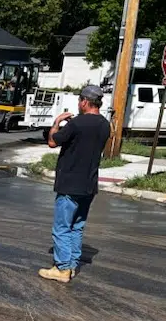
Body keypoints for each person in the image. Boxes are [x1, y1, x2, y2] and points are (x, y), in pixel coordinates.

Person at [39, 84, 112, 283]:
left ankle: (62, 269)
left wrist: (57, 122)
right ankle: (71, 265)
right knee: (77, 227)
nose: (79, 104)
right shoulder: (105, 125)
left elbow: (53, 142)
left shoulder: (76, 124)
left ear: (85, 102)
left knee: (62, 227)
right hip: (88, 184)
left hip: (70, 183)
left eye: (80, 100)